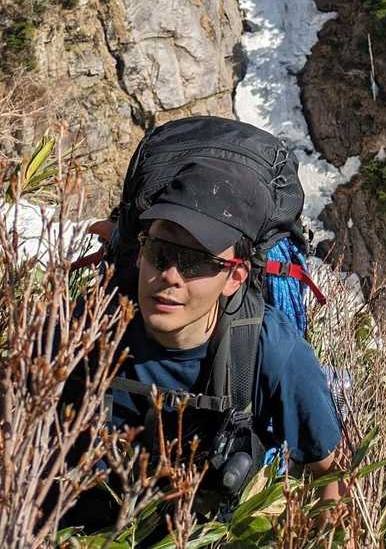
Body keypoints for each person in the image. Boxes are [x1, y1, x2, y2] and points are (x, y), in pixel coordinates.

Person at [62, 162, 349, 534]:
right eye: (160, 251)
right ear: (140, 250)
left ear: (235, 277)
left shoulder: (272, 350)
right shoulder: (84, 327)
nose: (170, 276)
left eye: (196, 261)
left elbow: (330, 475)